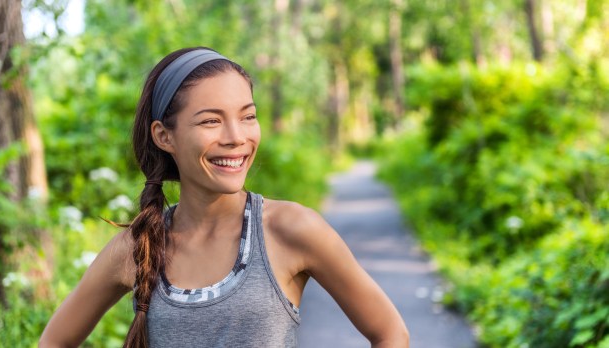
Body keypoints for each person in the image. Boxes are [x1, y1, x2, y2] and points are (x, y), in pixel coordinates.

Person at [39, 47, 409, 347]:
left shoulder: (291, 229)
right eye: (210, 121)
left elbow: (390, 333)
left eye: (248, 117)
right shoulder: (137, 247)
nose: (236, 136)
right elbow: (53, 341)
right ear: (163, 136)